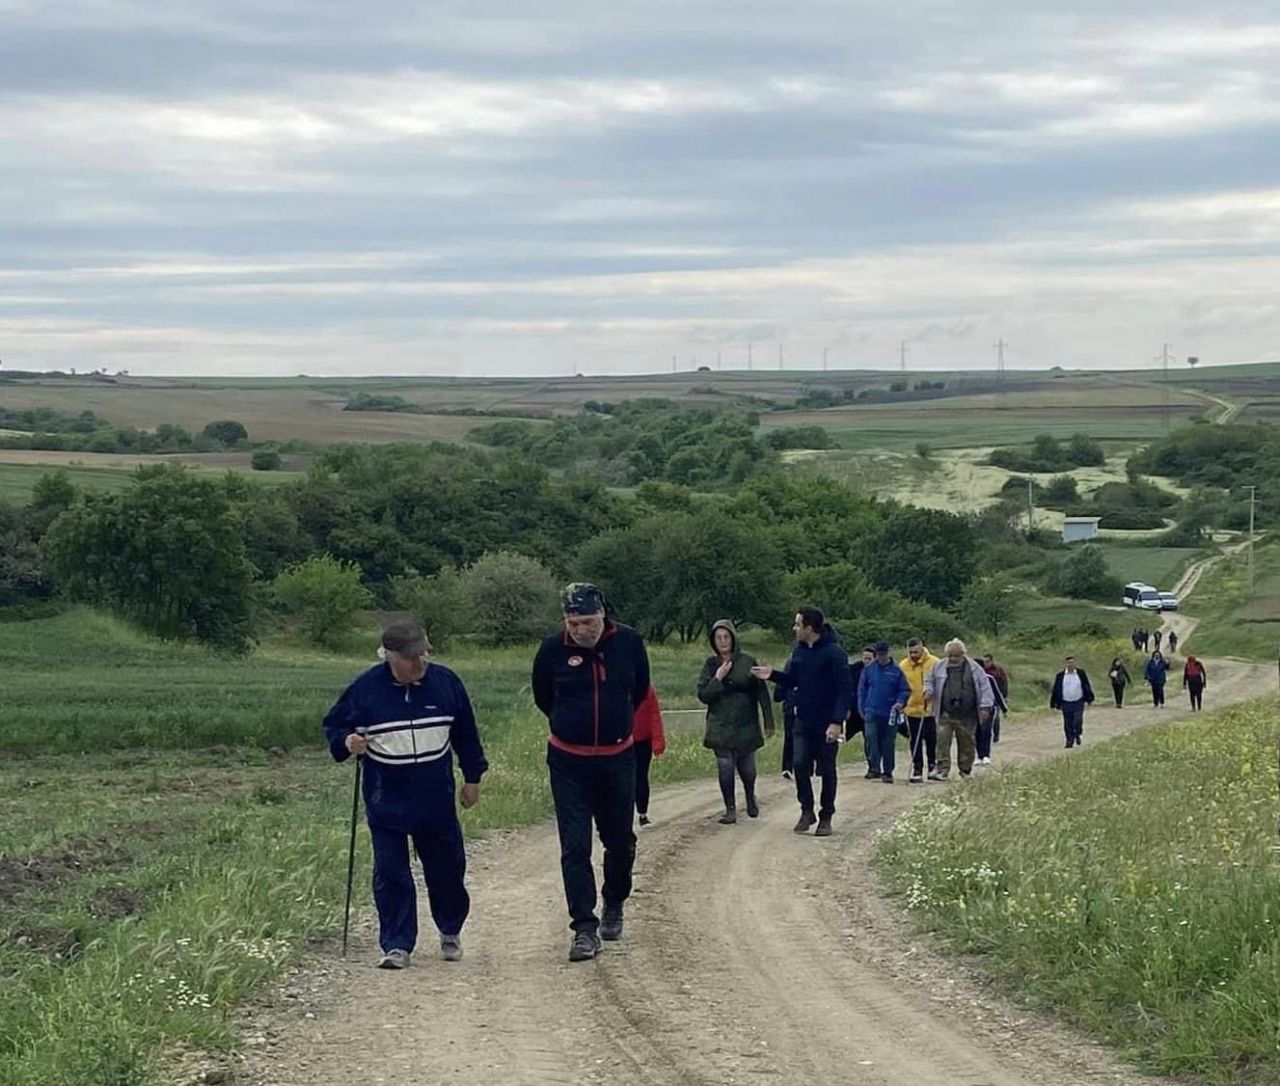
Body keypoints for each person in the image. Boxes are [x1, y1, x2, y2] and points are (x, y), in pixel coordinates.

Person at [323, 620, 487, 969]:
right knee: (391, 871)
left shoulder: (446, 683)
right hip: (387, 798)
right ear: (390, 656)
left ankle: (450, 928)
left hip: (436, 796)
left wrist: (473, 778)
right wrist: (347, 742)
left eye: (424, 654)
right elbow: (335, 725)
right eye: (412, 657)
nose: (420, 662)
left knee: (447, 868)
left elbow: (467, 734)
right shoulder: (366, 688)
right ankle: (397, 945)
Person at [532, 583, 651, 963]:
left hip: (618, 757)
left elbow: (639, 689)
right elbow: (543, 697)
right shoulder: (552, 649)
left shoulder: (629, 643)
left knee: (620, 840)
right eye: (573, 622)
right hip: (569, 760)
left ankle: (614, 900)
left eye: (587, 621)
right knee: (575, 845)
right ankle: (584, 927)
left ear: (603, 615)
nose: (580, 630)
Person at [752, 607, 853, 836]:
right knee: (798, 764)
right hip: (803, 720)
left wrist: (837, 721)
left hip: (828, 722)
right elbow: (792, 679)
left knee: (827, 769)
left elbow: (845, 690)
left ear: (809, 628)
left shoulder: (835, 653)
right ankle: (807, 810)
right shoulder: (799, 651)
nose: (794, 628)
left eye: (798, 624)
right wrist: (772, 675)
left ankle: (826, 815)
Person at [697, 619, 775, 825]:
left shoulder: (748, 661)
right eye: (718, 638)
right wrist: (718, 678)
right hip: (720, 723)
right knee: (725, 766)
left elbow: (761, 693)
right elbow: (703, 695)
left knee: (747, 767)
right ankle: (730, 808)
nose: (723, 641)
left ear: (733, 638)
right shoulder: (710, 664)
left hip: (745, 721)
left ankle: (750, 796)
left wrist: (768, 721)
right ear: (713, 641)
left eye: (726, 637)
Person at [924, 639, 993, 780]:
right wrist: (928, 691)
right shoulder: (939, 666)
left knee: (967, 743)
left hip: (967, 713)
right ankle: (942, 770)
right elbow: (929, 680)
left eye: (956, 655)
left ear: (963, 654)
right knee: (942, 742)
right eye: (950, 655)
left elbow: (985, 687)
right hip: (945, 712)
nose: (953, 659)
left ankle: (965, 770)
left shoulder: (974, 668)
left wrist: (985, 706)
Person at [857, 641, 911, 784]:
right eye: (879, 654)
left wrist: (900, 701)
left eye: (883, 653)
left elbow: (905, 690)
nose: (881, 656)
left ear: (888, 653)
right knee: (871, 740)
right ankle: (874, 768)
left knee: (888, 743)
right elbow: (862, 690)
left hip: (890, 713)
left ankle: (887, 771)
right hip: (871, 711)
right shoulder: (868, 670)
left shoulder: (896, 671)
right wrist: (861, 708)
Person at [899, 638, 939, 784]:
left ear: (922, 649)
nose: (913, 655)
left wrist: (933, 695)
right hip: (911, 709)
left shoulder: (935, 662)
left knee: (931, 739)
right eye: (910, 652)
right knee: (914, 740)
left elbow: (940, 682)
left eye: (916, 652)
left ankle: (932, 766)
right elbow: (900, 685)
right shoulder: (903, 665)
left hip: (929, 709)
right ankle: (917, 769)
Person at [632, 686, 666, 827]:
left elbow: (654, 714)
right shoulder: (615, 685)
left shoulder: (647, 689)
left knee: (641, 776)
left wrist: (657, 741)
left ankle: (642, 813)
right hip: (619, 741)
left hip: (642, 741)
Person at [1050, 654, 1095, 747]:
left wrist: (1089, 698)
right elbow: (1056, 689)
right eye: (1069, 663)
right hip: (1066, 702)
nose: (1071, 664)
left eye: (1072, 662)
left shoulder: (1081, 673)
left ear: (1075, 663)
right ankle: (1069, 740)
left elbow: (1086, 685)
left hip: (1078, 701)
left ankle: (1077, 734)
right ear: (1065, 664)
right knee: (1068, 722)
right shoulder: (1060, 676)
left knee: (1077, 721)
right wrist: (1053, 703)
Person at [978, 653, 1010, 765]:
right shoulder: (970, 680)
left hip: (990, 706)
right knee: (977, 732)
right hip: (975, 709)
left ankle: (986, 755)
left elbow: (998, 692)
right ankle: (979, 755)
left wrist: (1004, 708)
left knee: (987, 730)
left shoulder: (990, 678)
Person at [846, 646, 872, 745]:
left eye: (869, 659)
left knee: (871, 745)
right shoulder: (855, 669)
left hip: (869, 715)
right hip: (854, 713)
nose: (867, 661)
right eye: (865, 658)